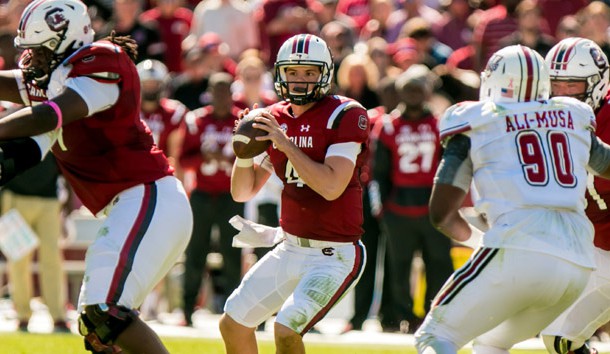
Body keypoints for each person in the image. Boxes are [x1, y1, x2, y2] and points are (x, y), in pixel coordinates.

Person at [0, 0, 193, 353]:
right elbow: (25, 125)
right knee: (100, 332)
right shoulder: (60, 78)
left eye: (39, 51)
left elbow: (49, 115)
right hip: (133, 205)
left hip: (149, 197)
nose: (31, 59)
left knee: (105, 312)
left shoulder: (98, 61)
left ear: (67, 42)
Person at [414, 44, 610, 354]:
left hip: (520, 244)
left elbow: (441, 214)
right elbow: (605, 164)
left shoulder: (476, 118)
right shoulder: (574, 116)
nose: (562, 90)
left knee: (434, 336)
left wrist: (479, 238)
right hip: (577, 260)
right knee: (493, 341)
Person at [219, 33, 369, 354]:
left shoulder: (344, 114)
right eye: (292, 72)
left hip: (333, 254)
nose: (300, 80)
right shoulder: (275, 117)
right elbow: (242, 191)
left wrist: (284, 144)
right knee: (232, 323)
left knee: (286, 329)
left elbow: (331, 187)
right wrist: (245, 149)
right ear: (280, 73)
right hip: (289, 246)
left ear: (325, 73)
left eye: (309, 73)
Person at [540, 37, 610, 354]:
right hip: (598, 248)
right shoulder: (544, 119)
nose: (563, 94)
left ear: (596, 83)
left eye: (572, 85)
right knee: (558, 338)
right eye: (556, 85)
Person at [373, 64, 454, 334]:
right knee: (399, 268)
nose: (414, 95)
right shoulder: (387, 126)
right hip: (399, 208)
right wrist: (381, 208)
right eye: (408, 89)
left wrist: (450, 207)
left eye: (419, 89)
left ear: (429, 91)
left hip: (434, 209)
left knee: (439, 265)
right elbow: (378, 174)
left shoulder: (442, 124)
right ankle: (400, 317)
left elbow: (453, 168)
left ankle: (434, 317)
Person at [180, 72, 244, 325]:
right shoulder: (197, 120)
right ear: (209, 93)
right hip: (203, 195)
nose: (220, 98)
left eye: (224, 92)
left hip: (232, 195)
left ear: (231, 94)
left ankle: (235, 312)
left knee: (233, 256)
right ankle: (186, 310)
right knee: (196, 252)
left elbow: (252, 157)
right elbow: (183, 159)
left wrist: (226, 160)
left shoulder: (242, 119)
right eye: (216, 92)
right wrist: (204, 158)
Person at [2, 154, 70, 333]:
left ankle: (58, 316)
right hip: (15, 196)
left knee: (53, 260)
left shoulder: (52, 125)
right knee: (18, 260)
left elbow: (64, 156)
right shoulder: (9, 125)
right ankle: (23, 316)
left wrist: (68, 196)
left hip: (49, 198)